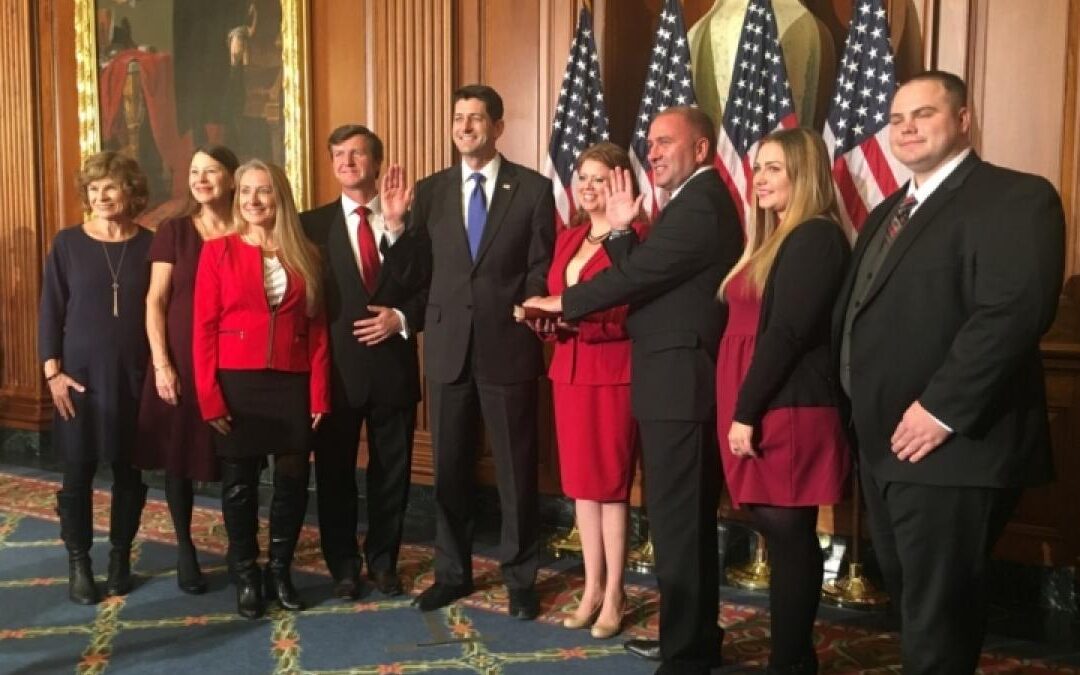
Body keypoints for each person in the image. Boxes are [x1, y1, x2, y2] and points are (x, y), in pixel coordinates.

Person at [834, 71, 1065, 674]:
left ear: (964, 120)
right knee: (915, 607)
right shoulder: (891, 209)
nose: (906, 128)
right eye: (897, 118)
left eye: (924, 114)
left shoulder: (1015, 197)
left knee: (939, 618)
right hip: (884, 445)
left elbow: (1013, 312)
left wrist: (941, 410)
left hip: (953, 445)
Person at [525, 106, 743, 675]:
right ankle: (687, 640)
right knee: (676, 528)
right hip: (669, 382)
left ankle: (687, 654)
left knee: (681, 526)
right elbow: (647, 273)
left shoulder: (702, 203)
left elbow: (639, 278)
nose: (653, 151)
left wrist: (564, 302)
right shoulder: (688, 203)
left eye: (665, 141)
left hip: (682, 383)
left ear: (700, 149)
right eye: (649, 141)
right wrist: (622, 232)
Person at [409, 84, 555, 620]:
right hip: (447, 348)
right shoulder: (429, 193)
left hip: (507, 345)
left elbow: (541, 262)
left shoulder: (534, 190)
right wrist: (399, 228)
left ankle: (520, 578)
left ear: (498, 126)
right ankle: (452, 571)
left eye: (475, 118)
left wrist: (531, 301)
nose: (465, 127)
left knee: (516, 470)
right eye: (458, 118)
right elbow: (418, 271)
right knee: (448, 467)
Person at [717, 128, 851, 675]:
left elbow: (790, 333)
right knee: (782, 532)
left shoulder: (815, 237)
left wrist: (747, 410)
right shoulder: (776, 237)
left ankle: (790, 662)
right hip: (767, 397)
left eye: (775, 168)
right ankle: (794, 657)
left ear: (805, 173)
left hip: (789, 405)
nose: (760, 179)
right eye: (758, 168)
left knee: (790, 534)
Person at [192, 159, 330, 619]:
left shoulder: (306, 252)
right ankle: (247, 574)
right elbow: (203, 329)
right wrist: (210, 396)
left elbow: (318, 331)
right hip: (237, 382)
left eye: (264, 191)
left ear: (280, 197)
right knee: (240, 485)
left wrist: (320, 393)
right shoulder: (218, 251)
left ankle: (281, 570)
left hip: (292, 383)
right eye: (246, 191)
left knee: (292, 484)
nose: (253, 200)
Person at [301, 125, 430, 600]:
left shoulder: (410, 221)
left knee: (391, 474)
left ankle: (383, 561)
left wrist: (398, 318)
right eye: (339, 154)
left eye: (357, 153)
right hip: (334, 372)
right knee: (333, 474)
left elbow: (425, 288)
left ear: (376, 163)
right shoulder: (309, 225)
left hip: (392, 369)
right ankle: (342, 565)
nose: (347, 162)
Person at [528, 142, 646, 639]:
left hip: (612, 372)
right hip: (569, 373)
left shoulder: (633, 238)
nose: (589, 187)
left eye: (600, 178)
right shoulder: (570, 237)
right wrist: (542, 321)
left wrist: (563, 312)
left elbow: (627, 310)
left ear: (621, 183)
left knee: (609, 487)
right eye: (583, 177)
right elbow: (560, 300)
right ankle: (592, 586)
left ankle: (616, 591)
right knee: (580, 487)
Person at [39, 151, 154, 605]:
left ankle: (120, 557)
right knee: (77, 473)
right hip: (78, 379)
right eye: (93, 189)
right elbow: (50, 309)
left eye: (110, 186)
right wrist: (53, 373)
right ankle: (79, 562)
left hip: (134, 375)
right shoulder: (67, 243)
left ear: (129, 190)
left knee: (130, 472)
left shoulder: (150, 244)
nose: (102, 196)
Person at [134, 145, 239, 594]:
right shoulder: (173, 232)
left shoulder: (251, 229)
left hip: (236, 362)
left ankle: (241, 548)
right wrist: (162, 365)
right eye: (194, 171)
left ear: (232, 179)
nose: (200, 179)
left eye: (211, 172)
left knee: (238, 458)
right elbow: (155, 301)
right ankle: (185, 549)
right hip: (180, 359)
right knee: (178, 460)